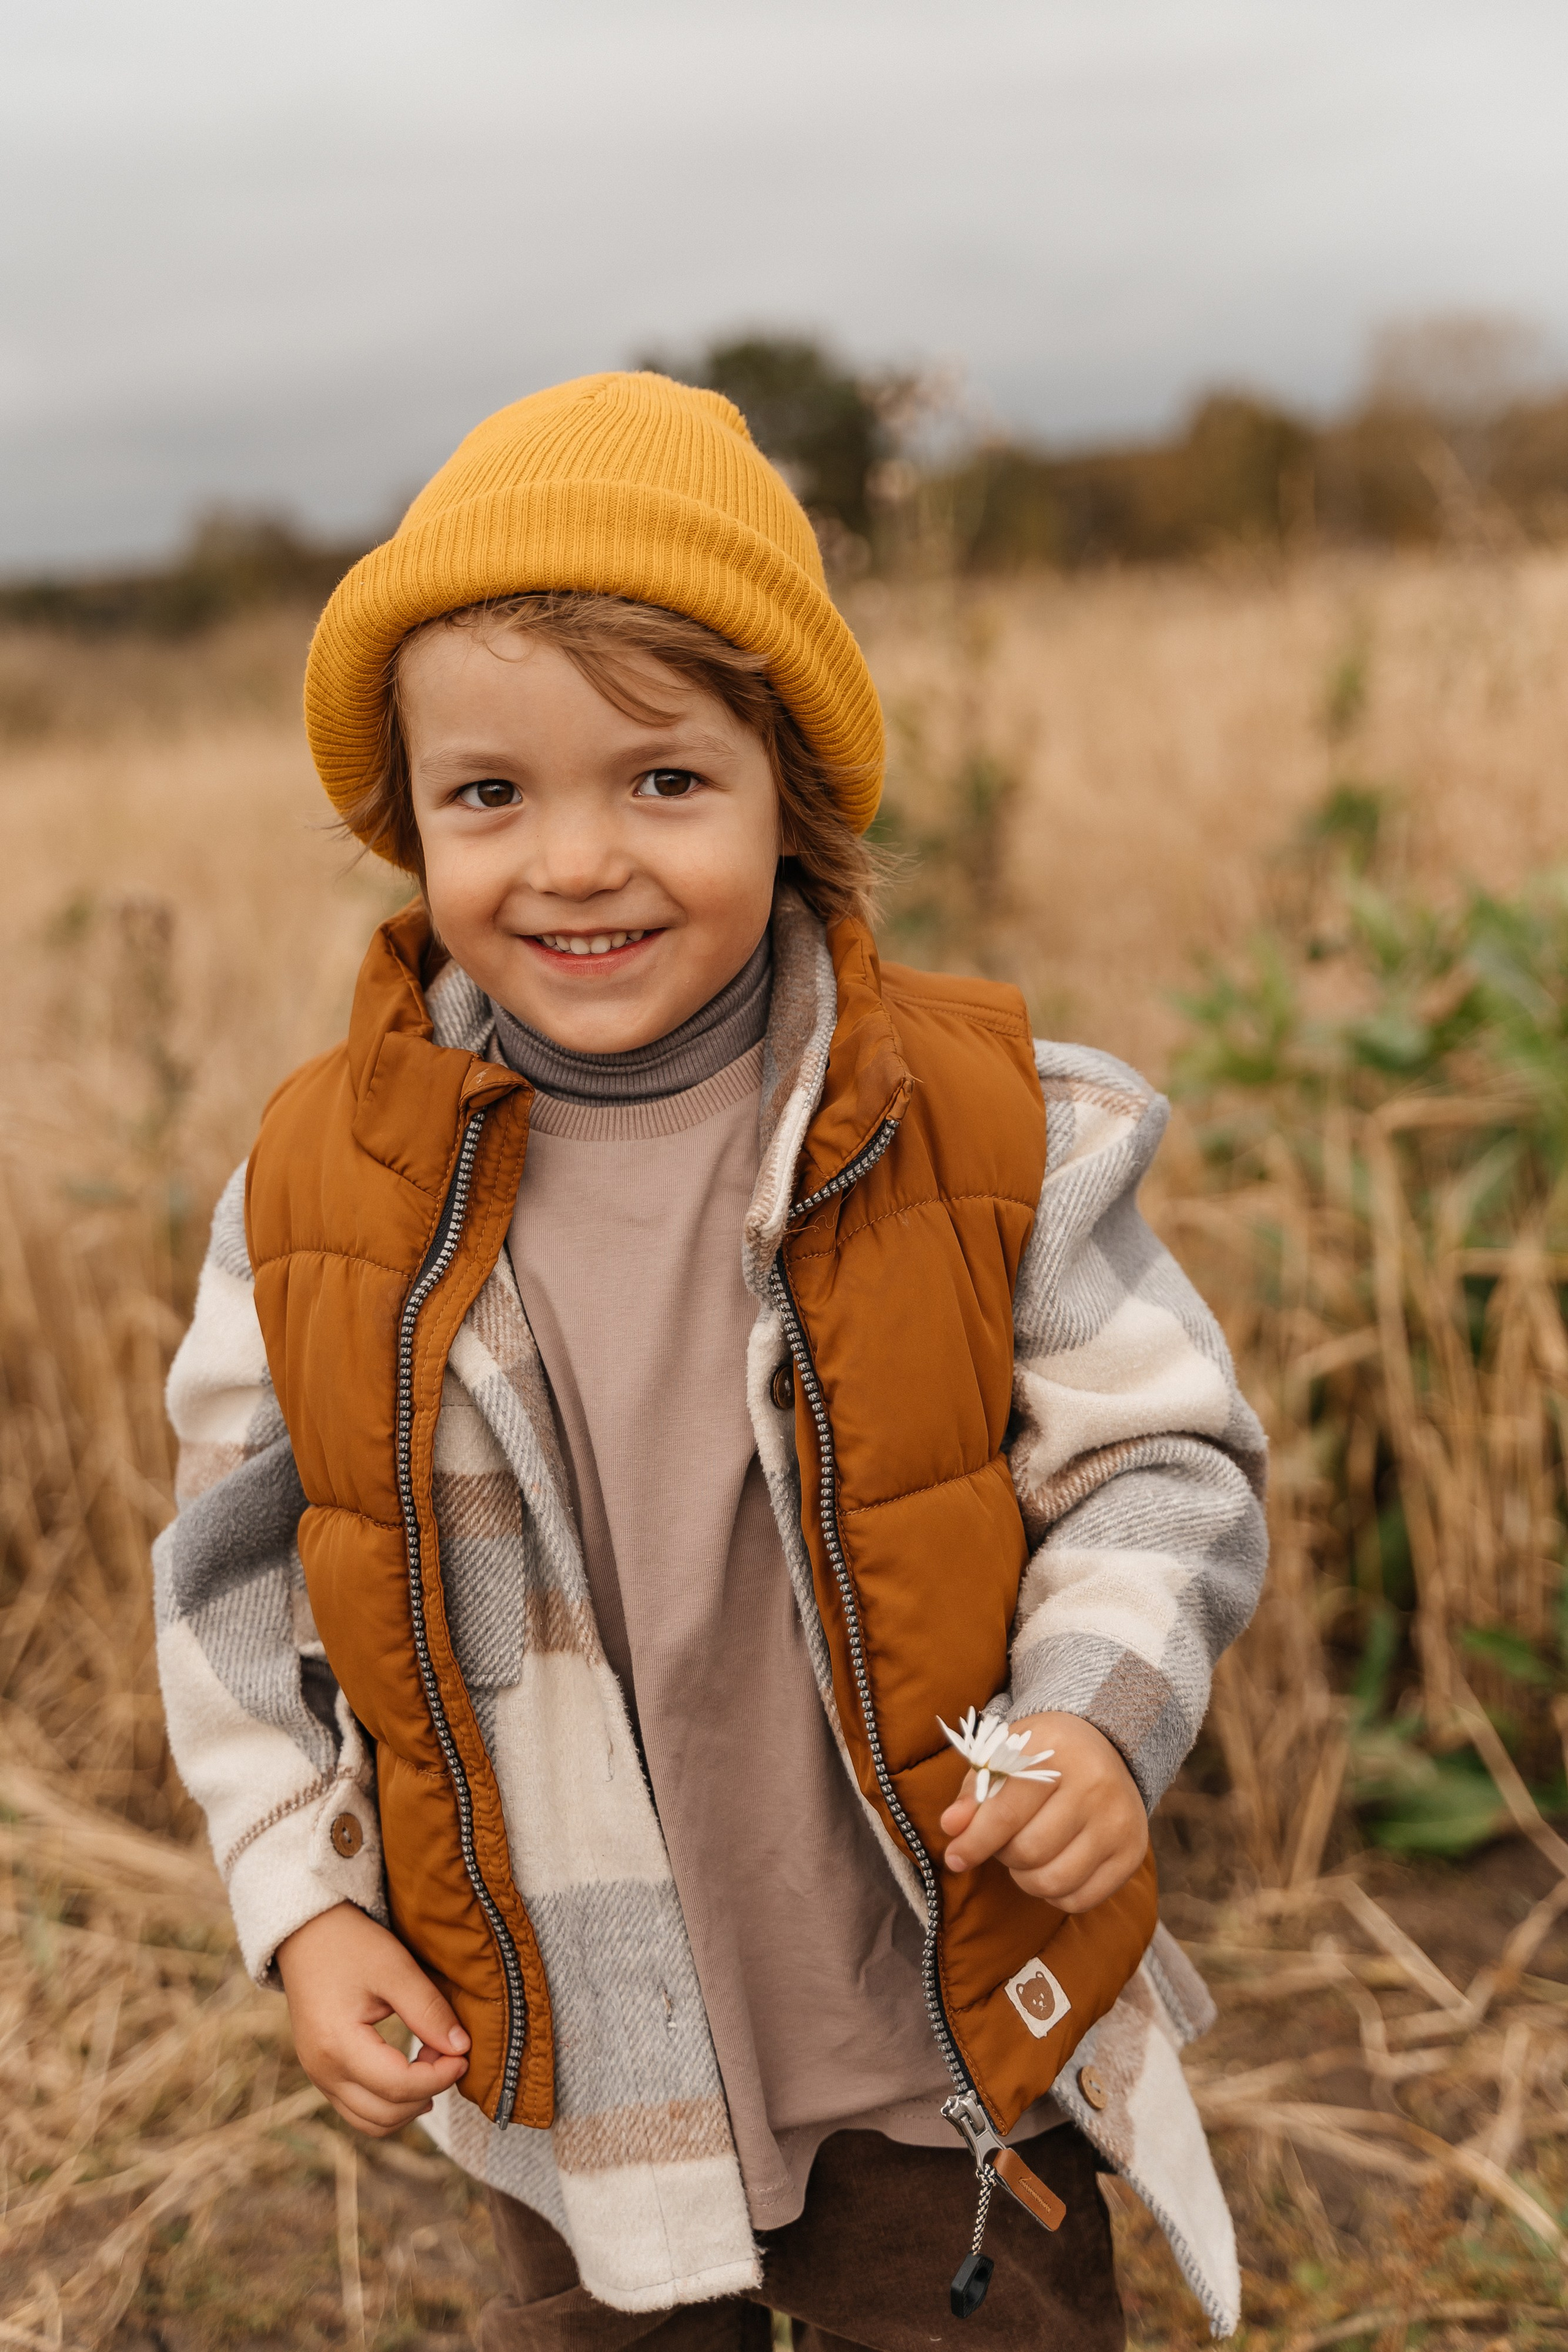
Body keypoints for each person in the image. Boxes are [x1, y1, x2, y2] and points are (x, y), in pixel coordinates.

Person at [153, 372, 1267, 2352]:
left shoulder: (983, 1131)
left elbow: (1160, 1466)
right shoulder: (324, 1196)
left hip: (924, 1999)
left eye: (663, 781)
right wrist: (307, 1903)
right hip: (574, 2042)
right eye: (491, 795)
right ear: (408, 822)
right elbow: (237, 1593)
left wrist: (1099, 1717)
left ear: (791, 792)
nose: (576, 861)